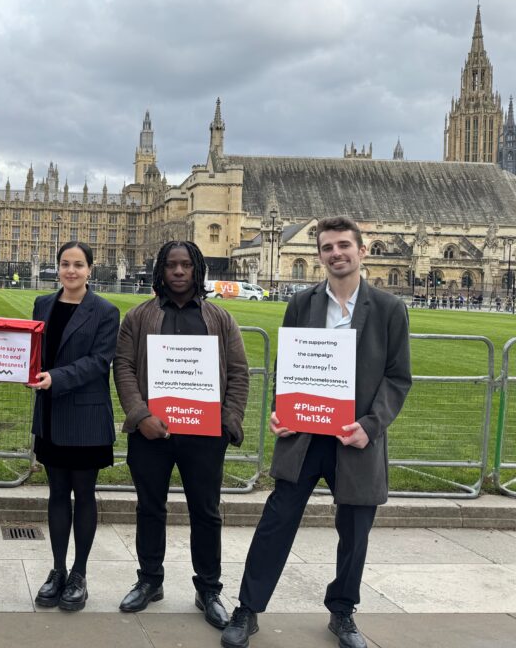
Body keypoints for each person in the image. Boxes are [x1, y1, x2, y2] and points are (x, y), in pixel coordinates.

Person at [222, 217, 412, 648]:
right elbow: (289, 368)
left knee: (355, 531)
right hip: (305, 435)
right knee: (276, 521)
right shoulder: (303, 304)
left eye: (344, 245)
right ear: (320, 255)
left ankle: (342, 612)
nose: (336, 253)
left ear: (362, 251)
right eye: (327, 247)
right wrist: (278, 411)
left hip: (355, 438)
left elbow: (398, 378)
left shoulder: (388, 309)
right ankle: (248, 609)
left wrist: (371, 426)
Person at [114, 240, 250, 630]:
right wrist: (140, 416)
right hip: (152, 432)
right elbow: (123, 368)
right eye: (171, 265)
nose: (178, 272)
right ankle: (149, 580)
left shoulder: (219, 318)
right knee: (149, 508)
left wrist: (228, 421)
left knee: (206, 512)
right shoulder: (139, 316)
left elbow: (238, 372)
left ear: (196, 270)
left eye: (185, 265)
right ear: (161, 270)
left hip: (205, 435)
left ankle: (208, 588)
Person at [30, 241, 119, 611]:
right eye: (65, 264)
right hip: (51, 413)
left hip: (85, 414)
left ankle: (79, 574)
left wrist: (55, 378)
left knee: (83, 494)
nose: (71, 271)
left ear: (90, 270)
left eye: (78, 265)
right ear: (57, 267)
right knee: (56, 493)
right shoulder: (43, 304)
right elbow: (32, 350)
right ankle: (57, 569)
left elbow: (99, 362)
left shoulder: (105, 311)